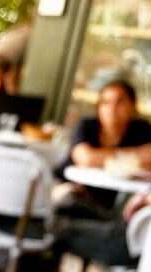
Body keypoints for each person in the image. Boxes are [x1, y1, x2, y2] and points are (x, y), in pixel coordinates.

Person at [56, 79, 151, 218]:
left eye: (120, 102)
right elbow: (86, 159)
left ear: (132, 106)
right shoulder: (87, 125)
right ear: (98, 107)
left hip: (114, 199)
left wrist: (100, 156)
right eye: (106, 102)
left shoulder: (142, 129)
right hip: (72, 190)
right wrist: (136, 154)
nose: (112, 108)